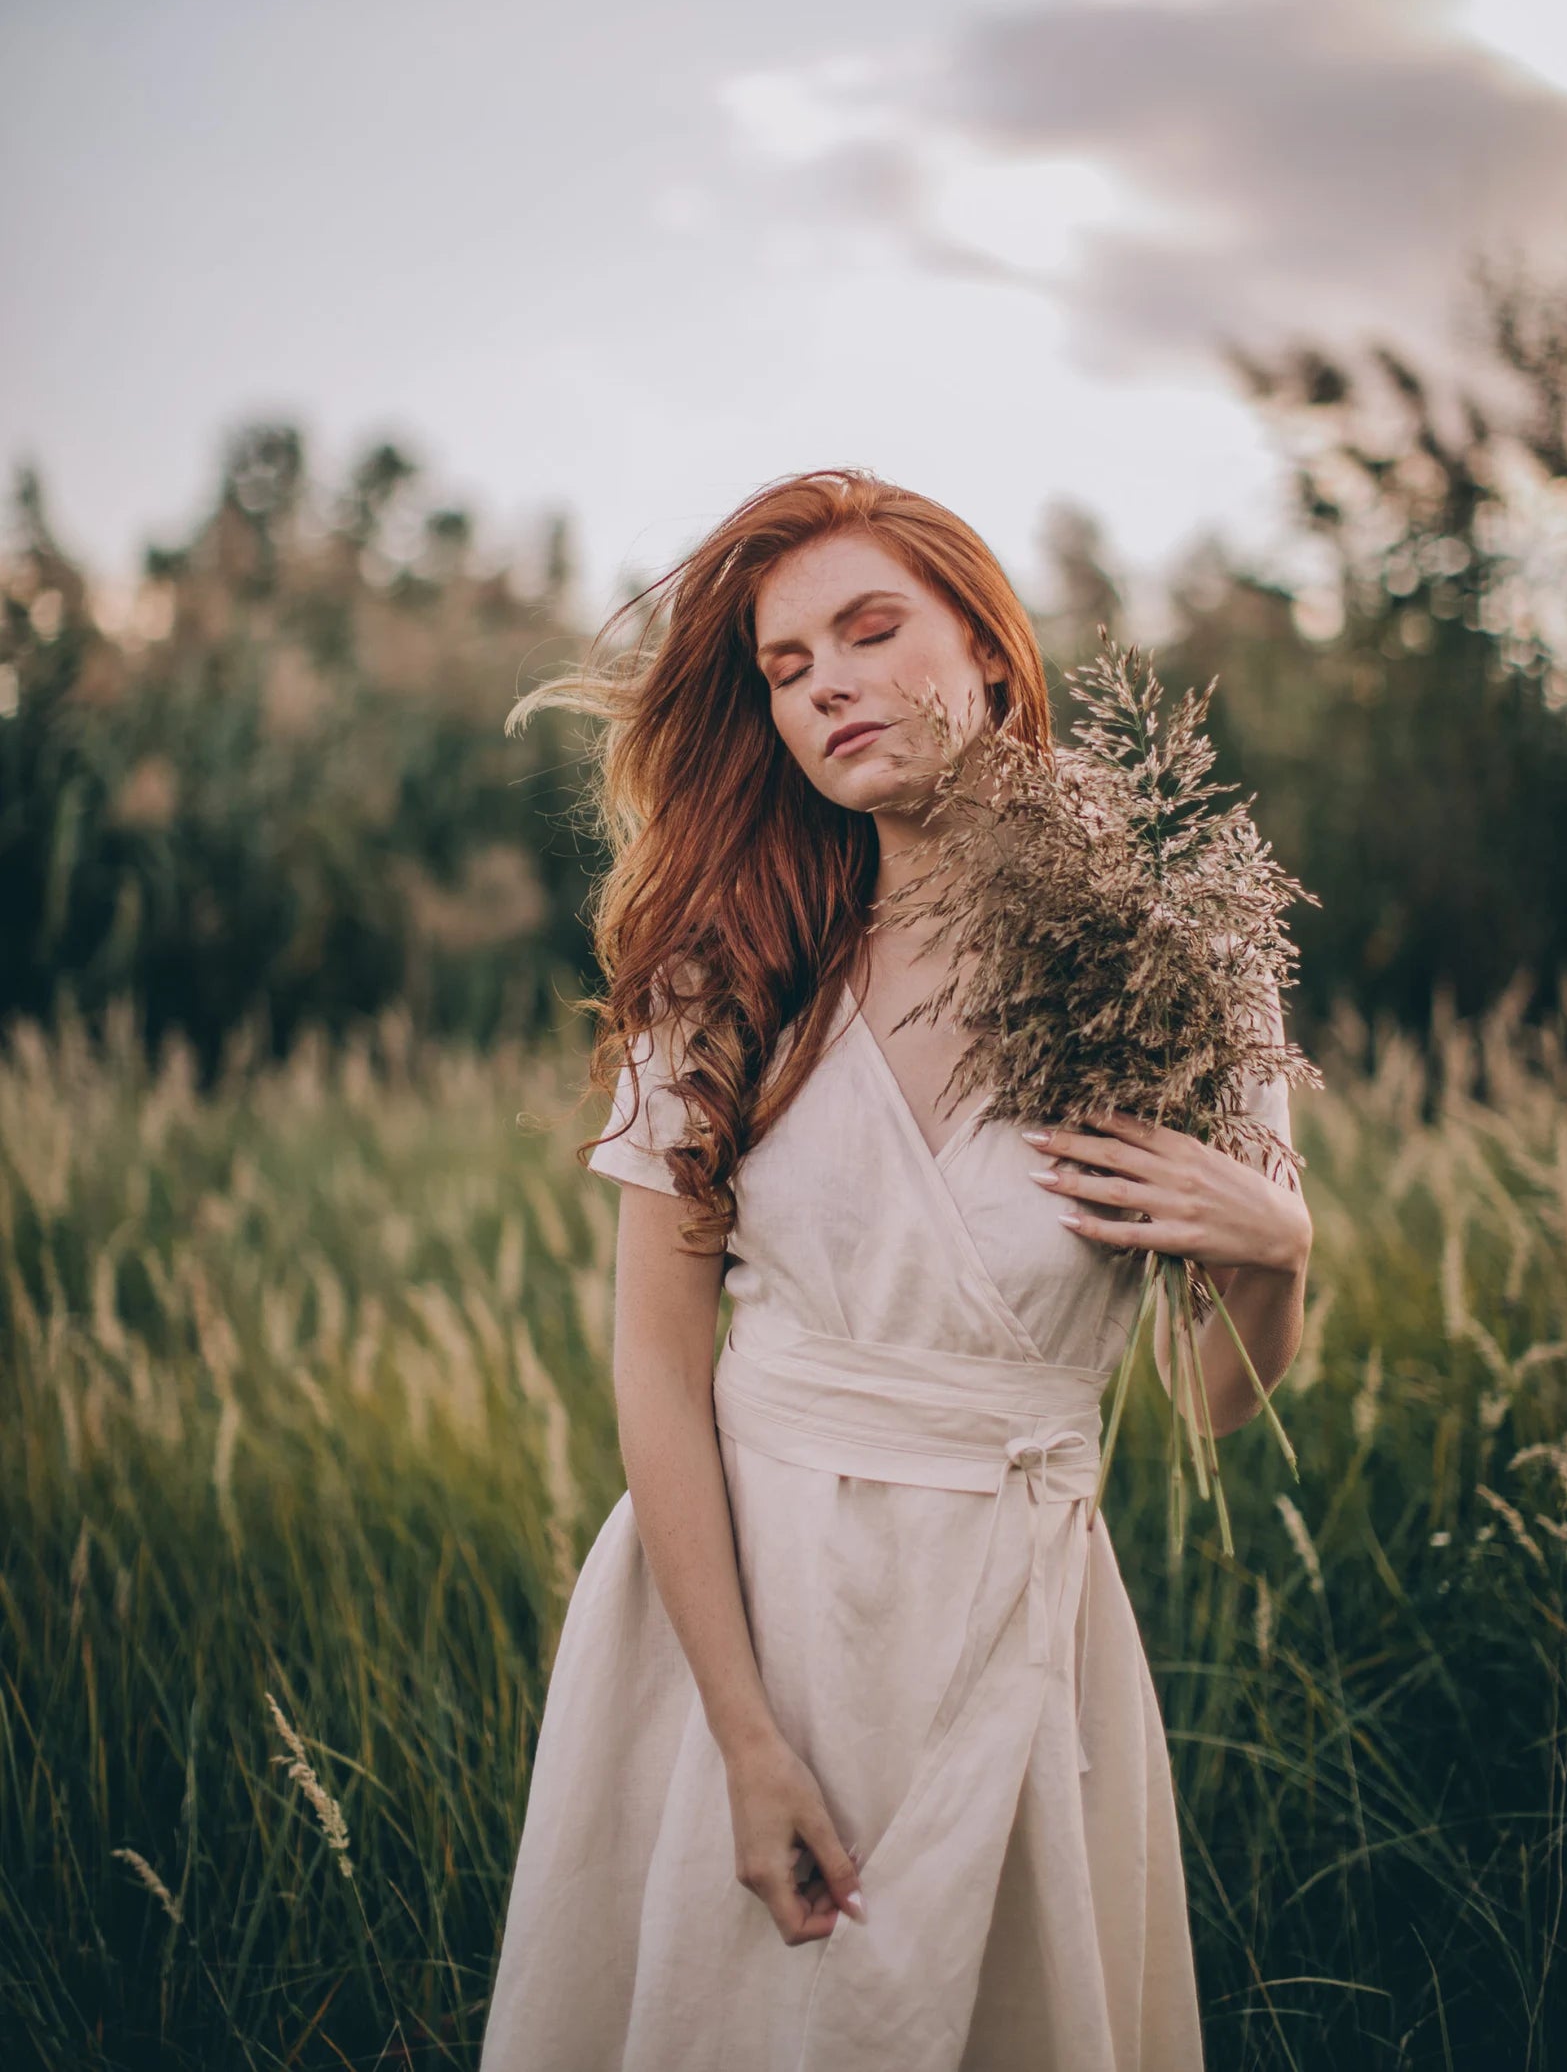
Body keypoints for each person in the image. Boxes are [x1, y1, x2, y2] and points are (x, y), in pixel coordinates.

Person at [478, 469, 1312, 2072]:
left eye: (871, 630)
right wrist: (739, 1731)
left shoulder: (1170, 975)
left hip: (1012, 1611)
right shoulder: (738, 969)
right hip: (743, 1618)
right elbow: (659, 1362)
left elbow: (1215, 1408)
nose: (830, 684)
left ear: (990, 653)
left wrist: (1279, 1254)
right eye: (788, 668)